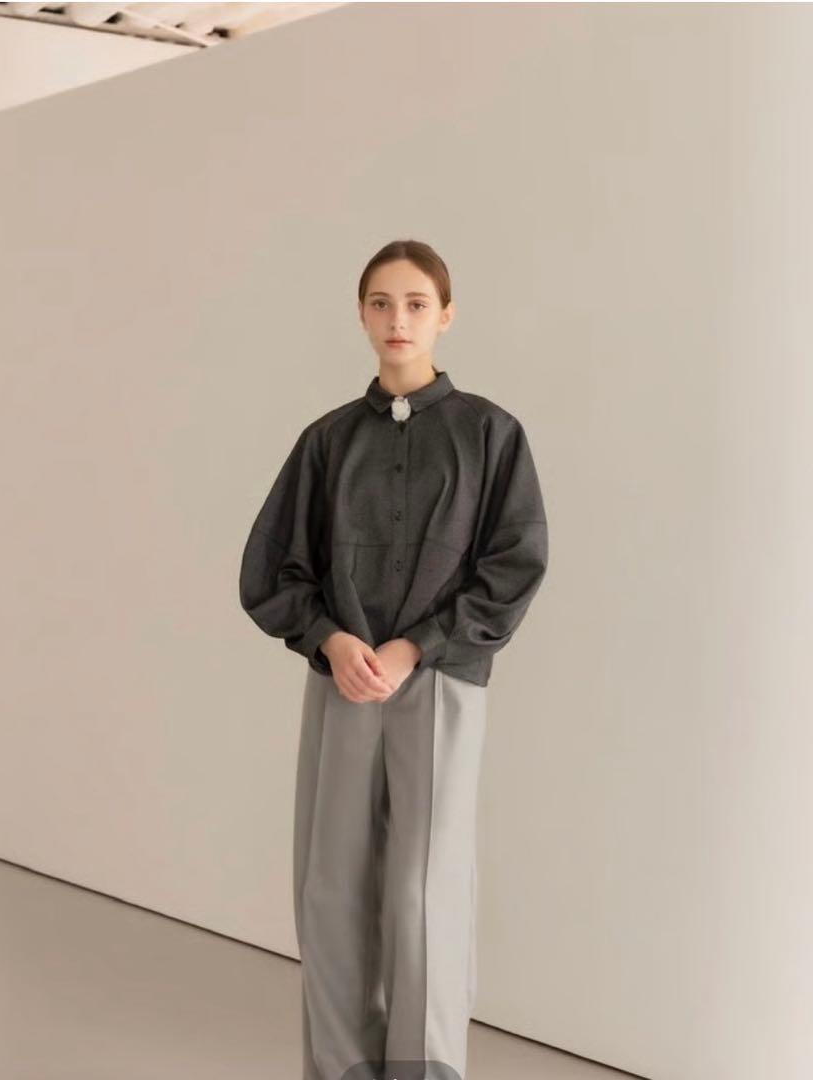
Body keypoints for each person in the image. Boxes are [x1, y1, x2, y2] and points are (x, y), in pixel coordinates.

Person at [239, 239, 549, 1080]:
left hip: (440, 680)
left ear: (446, 315)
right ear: (360, 314)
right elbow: (272, 569)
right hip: (344, 681)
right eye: (380, 302)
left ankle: (425, 1067)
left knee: (426, 885)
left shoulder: (489, 434)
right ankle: (340, 1066)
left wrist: (418, 646)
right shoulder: (327, 440)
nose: (396, 319)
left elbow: (513, 564)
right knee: (331, 882)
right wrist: (331, 639)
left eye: (415, 303)